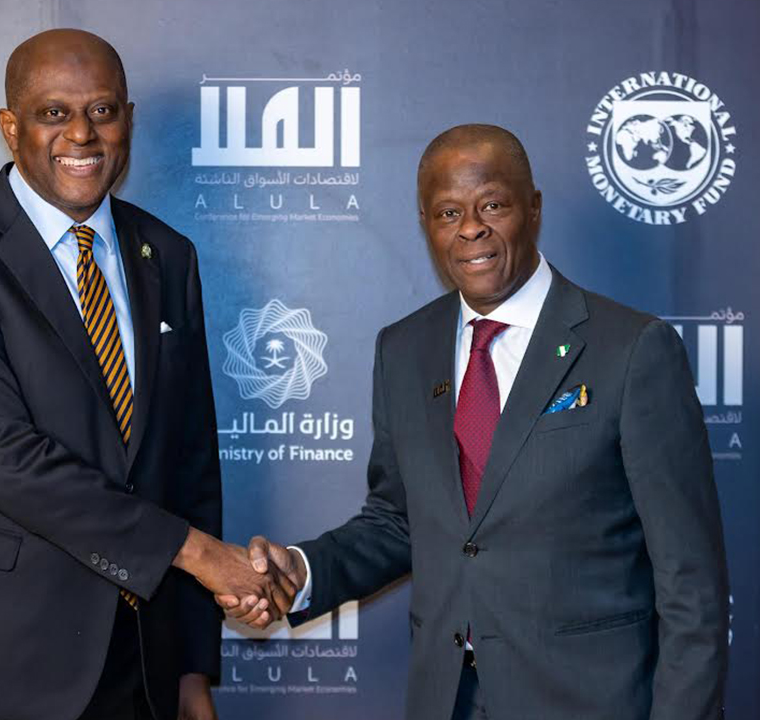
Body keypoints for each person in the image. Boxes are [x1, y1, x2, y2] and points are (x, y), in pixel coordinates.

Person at [221, 124, 730, 720]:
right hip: (447, 701)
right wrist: (301, 571)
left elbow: (691, 584)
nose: (470, 228)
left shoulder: (633, 348)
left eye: (492, 205)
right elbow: (399, 522)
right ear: (426, 224)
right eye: (448, 213)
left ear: (532, 208)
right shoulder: (404, 349)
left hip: (588, 701)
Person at [0, 29, 295, 720]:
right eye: (54, 113)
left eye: (102, 111)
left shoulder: (167, 253)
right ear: (10, 127)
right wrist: (197, 554)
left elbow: (190, 462)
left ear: (127, 119)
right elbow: (5, 460)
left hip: (138, 664)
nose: (82, 134)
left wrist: (191, 668)